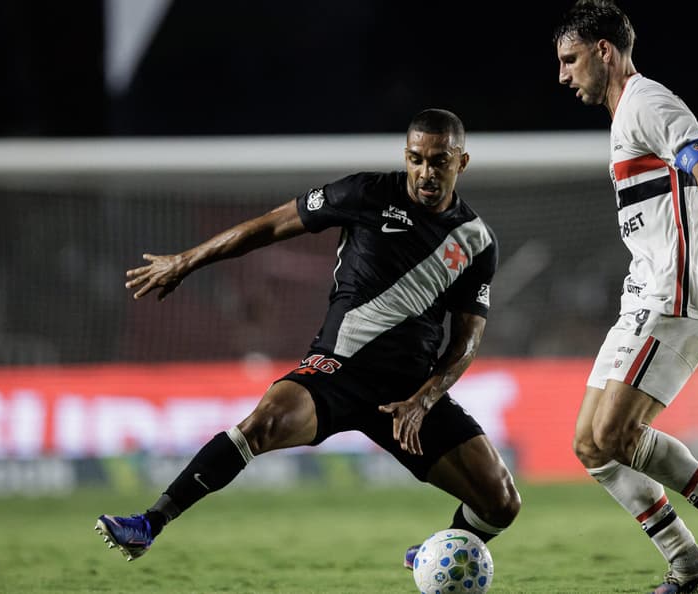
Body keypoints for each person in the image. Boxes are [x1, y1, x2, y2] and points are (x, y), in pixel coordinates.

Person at [94, 108, 522, 571]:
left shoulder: (476, 241)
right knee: (262, 424)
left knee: (502, 502)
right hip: (337, 369)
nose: (426, 172)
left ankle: (440, 550)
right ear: (406, 155)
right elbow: (270, 226)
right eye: (417, 159)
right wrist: (185, 261)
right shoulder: (364, 193)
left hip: (409, 394)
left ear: (462, 162)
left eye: (439, 161)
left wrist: (424, 399)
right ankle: (148, 523)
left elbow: (466, 340)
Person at [552, 3, 698, 593]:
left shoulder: (646, 101)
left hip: (676, 294)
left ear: (604, 50)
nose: (563, 75)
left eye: (570, 59)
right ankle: (691, 569)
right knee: (591, 445)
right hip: (646, 293)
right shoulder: (627, 114)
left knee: (615, 435)